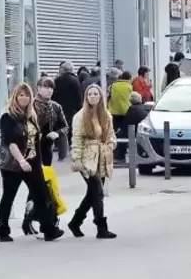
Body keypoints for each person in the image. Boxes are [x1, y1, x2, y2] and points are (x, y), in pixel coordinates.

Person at [0, 83, 64, 242]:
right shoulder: (8, 116)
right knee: (9, 195)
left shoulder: (30, 116)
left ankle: (48, 229)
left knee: (42, 194)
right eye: (21, 95)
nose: (24, 98)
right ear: (15, 97)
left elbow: (34, 140)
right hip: (13, 163)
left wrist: (35, 162)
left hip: (32, 161)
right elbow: (11, 142)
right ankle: (2, 229)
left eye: (27, 95)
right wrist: (20, 160)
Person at [68, 84, 117, 239]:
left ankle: (75, 222)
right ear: (86, 97)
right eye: (90, 94)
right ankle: (101, 227)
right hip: (87, 158)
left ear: (101, 96)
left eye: (96, 94)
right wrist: (77, 159)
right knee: (98, 192)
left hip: (102, 157)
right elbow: (76, 139)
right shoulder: (80, 116)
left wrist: (111, 144)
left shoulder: (106, 115)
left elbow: (111, 135)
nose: (93, 96)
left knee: (92, 194)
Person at [32, 77, 68, 167]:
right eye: (46, 87)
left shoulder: (56, 107)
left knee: (46, 175)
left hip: (47, 147)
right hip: (31, 147)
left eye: (51, 88)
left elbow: (65, 127)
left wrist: (57, 133)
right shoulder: (30, 105)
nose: (49, 90)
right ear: (38, 88)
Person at [53, 60, 83, 147]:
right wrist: (80, 107)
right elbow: (78, 96)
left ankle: (60, 143)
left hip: (60, 107)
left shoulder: (58, 80)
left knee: (61, 124)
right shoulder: (75, 80)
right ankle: (69, 142)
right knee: (71, 125)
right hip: (72, 108)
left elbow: (54, 94)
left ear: (63, 69)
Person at [107, 71, 133, 162]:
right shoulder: (130, 86)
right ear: (129, 78)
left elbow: (108, 97)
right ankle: (123, 151)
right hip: (126, 112)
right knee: (124, 132)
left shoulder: (112, 86)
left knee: (113, 132)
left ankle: (114, 152)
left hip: (114, 112)